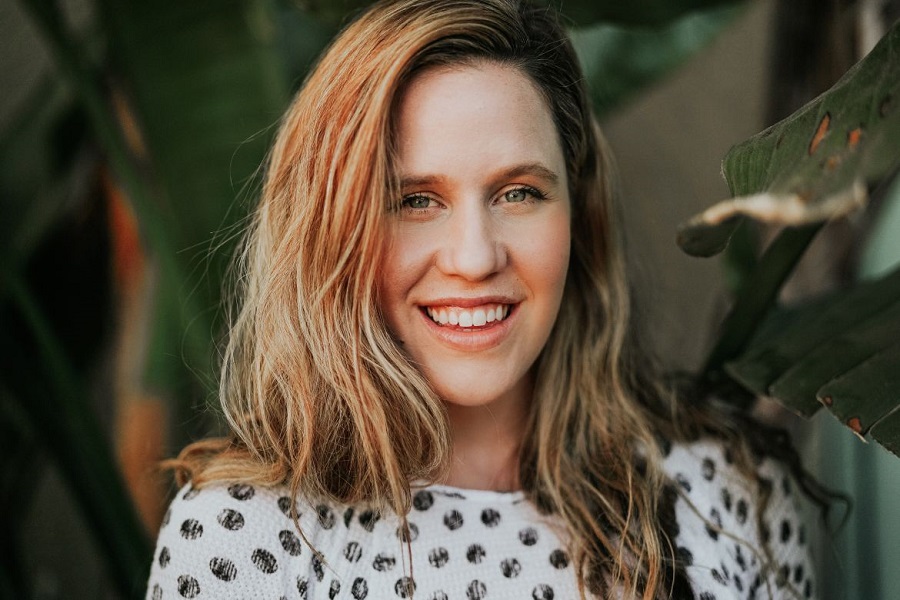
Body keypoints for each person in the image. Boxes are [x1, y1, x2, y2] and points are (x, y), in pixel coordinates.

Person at [146, 1, 819, 598]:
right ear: (333, 230)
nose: (474, 258)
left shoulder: (730, 500)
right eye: (415, 200)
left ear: (578, 217)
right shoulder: (244, 540)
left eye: (518, 192)